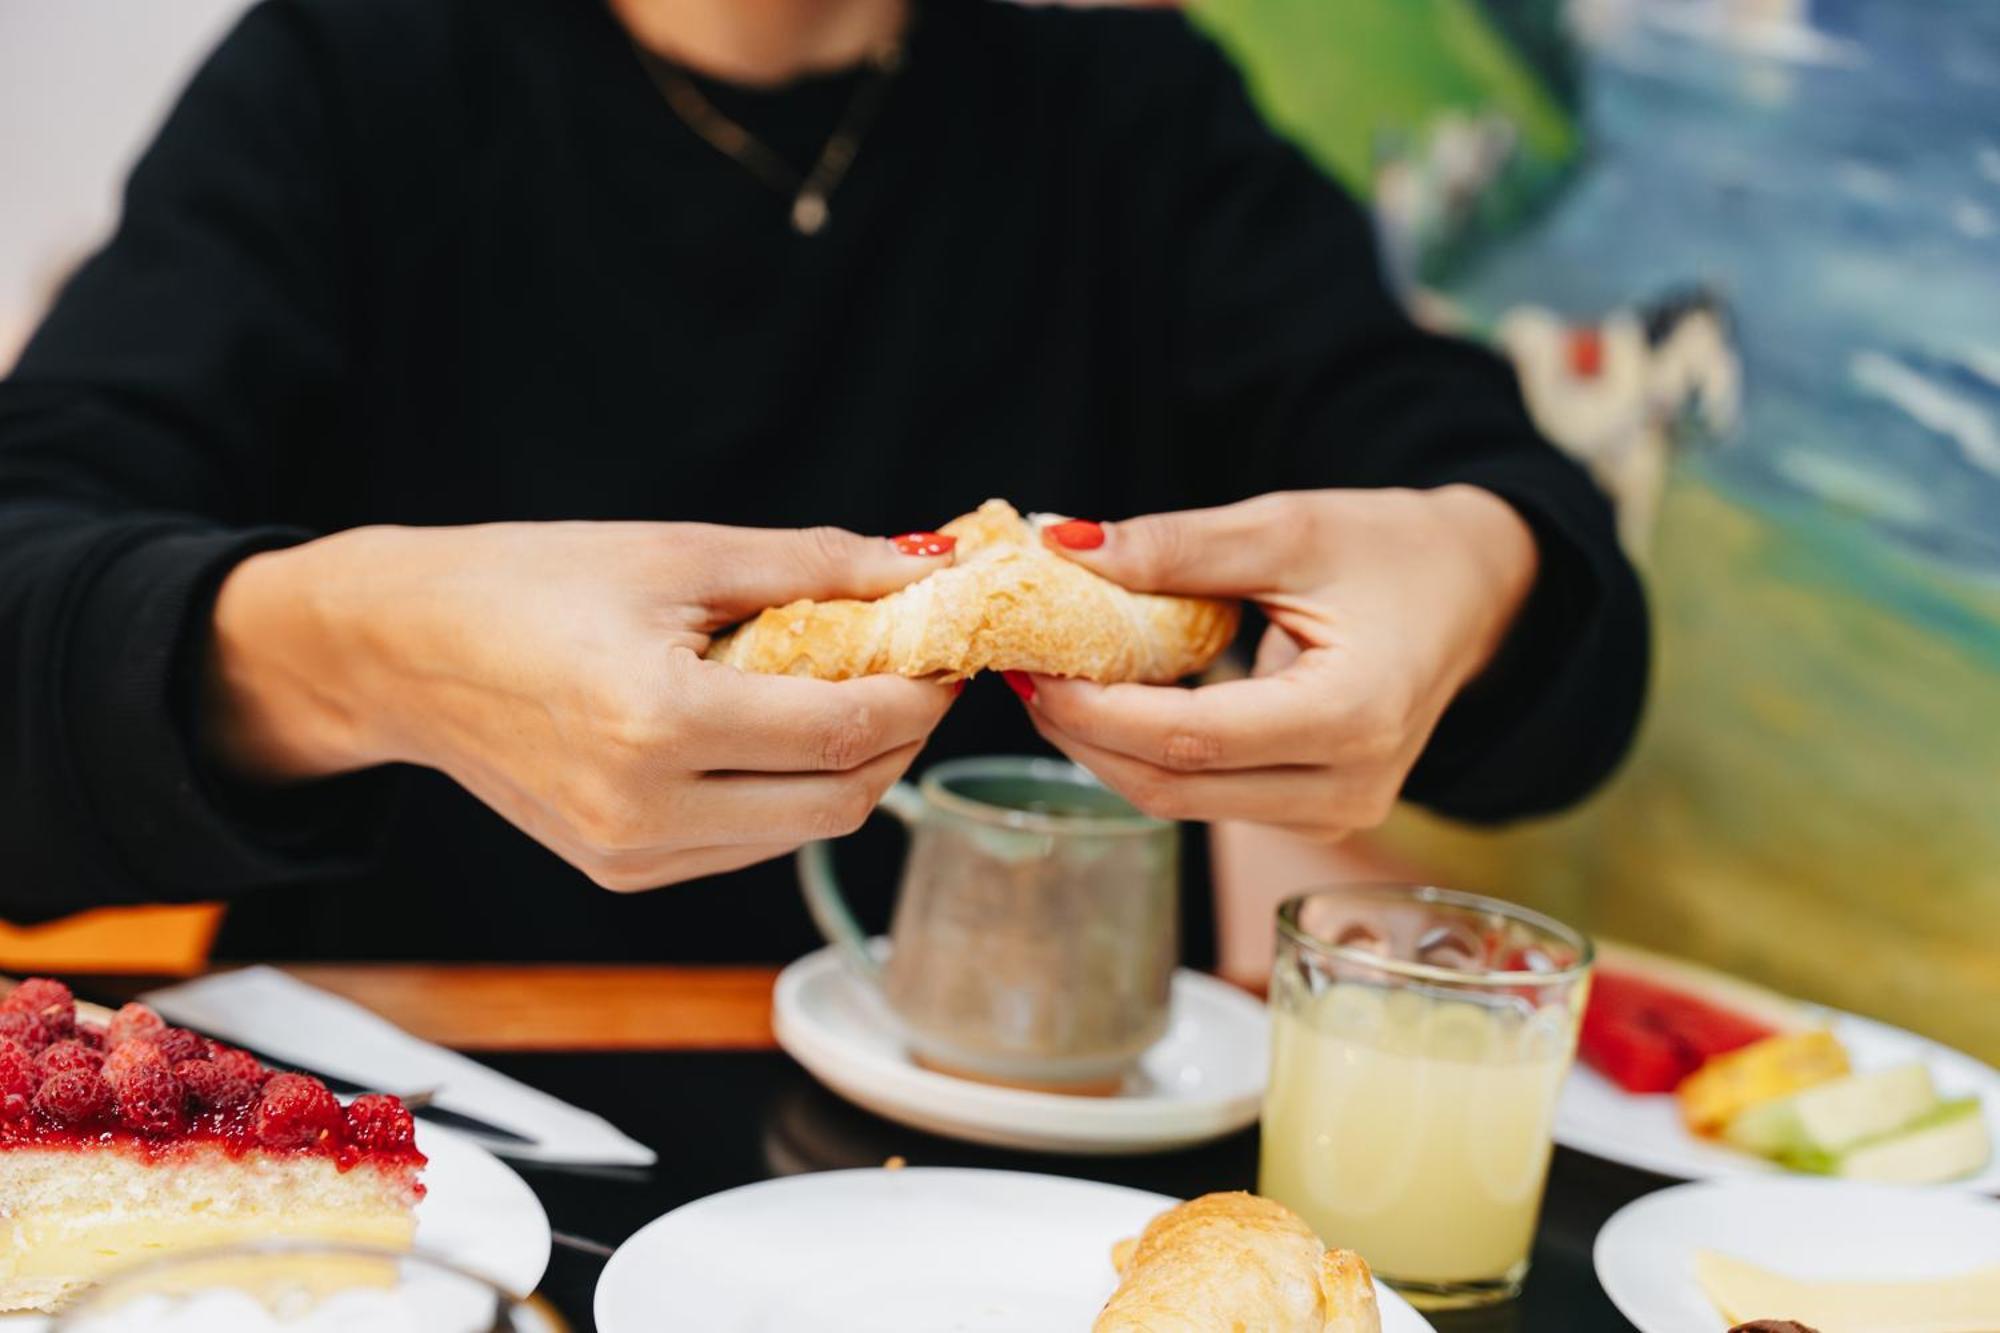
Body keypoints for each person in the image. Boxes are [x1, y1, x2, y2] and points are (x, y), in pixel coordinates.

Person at [0, 0, 1647, 964]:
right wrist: (359, 651)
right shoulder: (347, 77)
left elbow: (1526, 578)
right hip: (421, 1141)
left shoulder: (1131, 114)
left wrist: (1487, 570)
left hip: (1023, 1164)